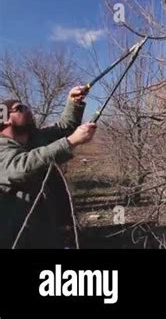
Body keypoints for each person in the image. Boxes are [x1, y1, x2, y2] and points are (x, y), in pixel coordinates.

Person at [0, 86, 97, 248]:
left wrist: (73, 102)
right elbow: (22, 165)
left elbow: (65, 127)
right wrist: (70, 142)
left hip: (47, 226)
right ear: (5, 119)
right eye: (19, 108)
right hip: (16, 235)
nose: (27, 109)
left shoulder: (36, 137)